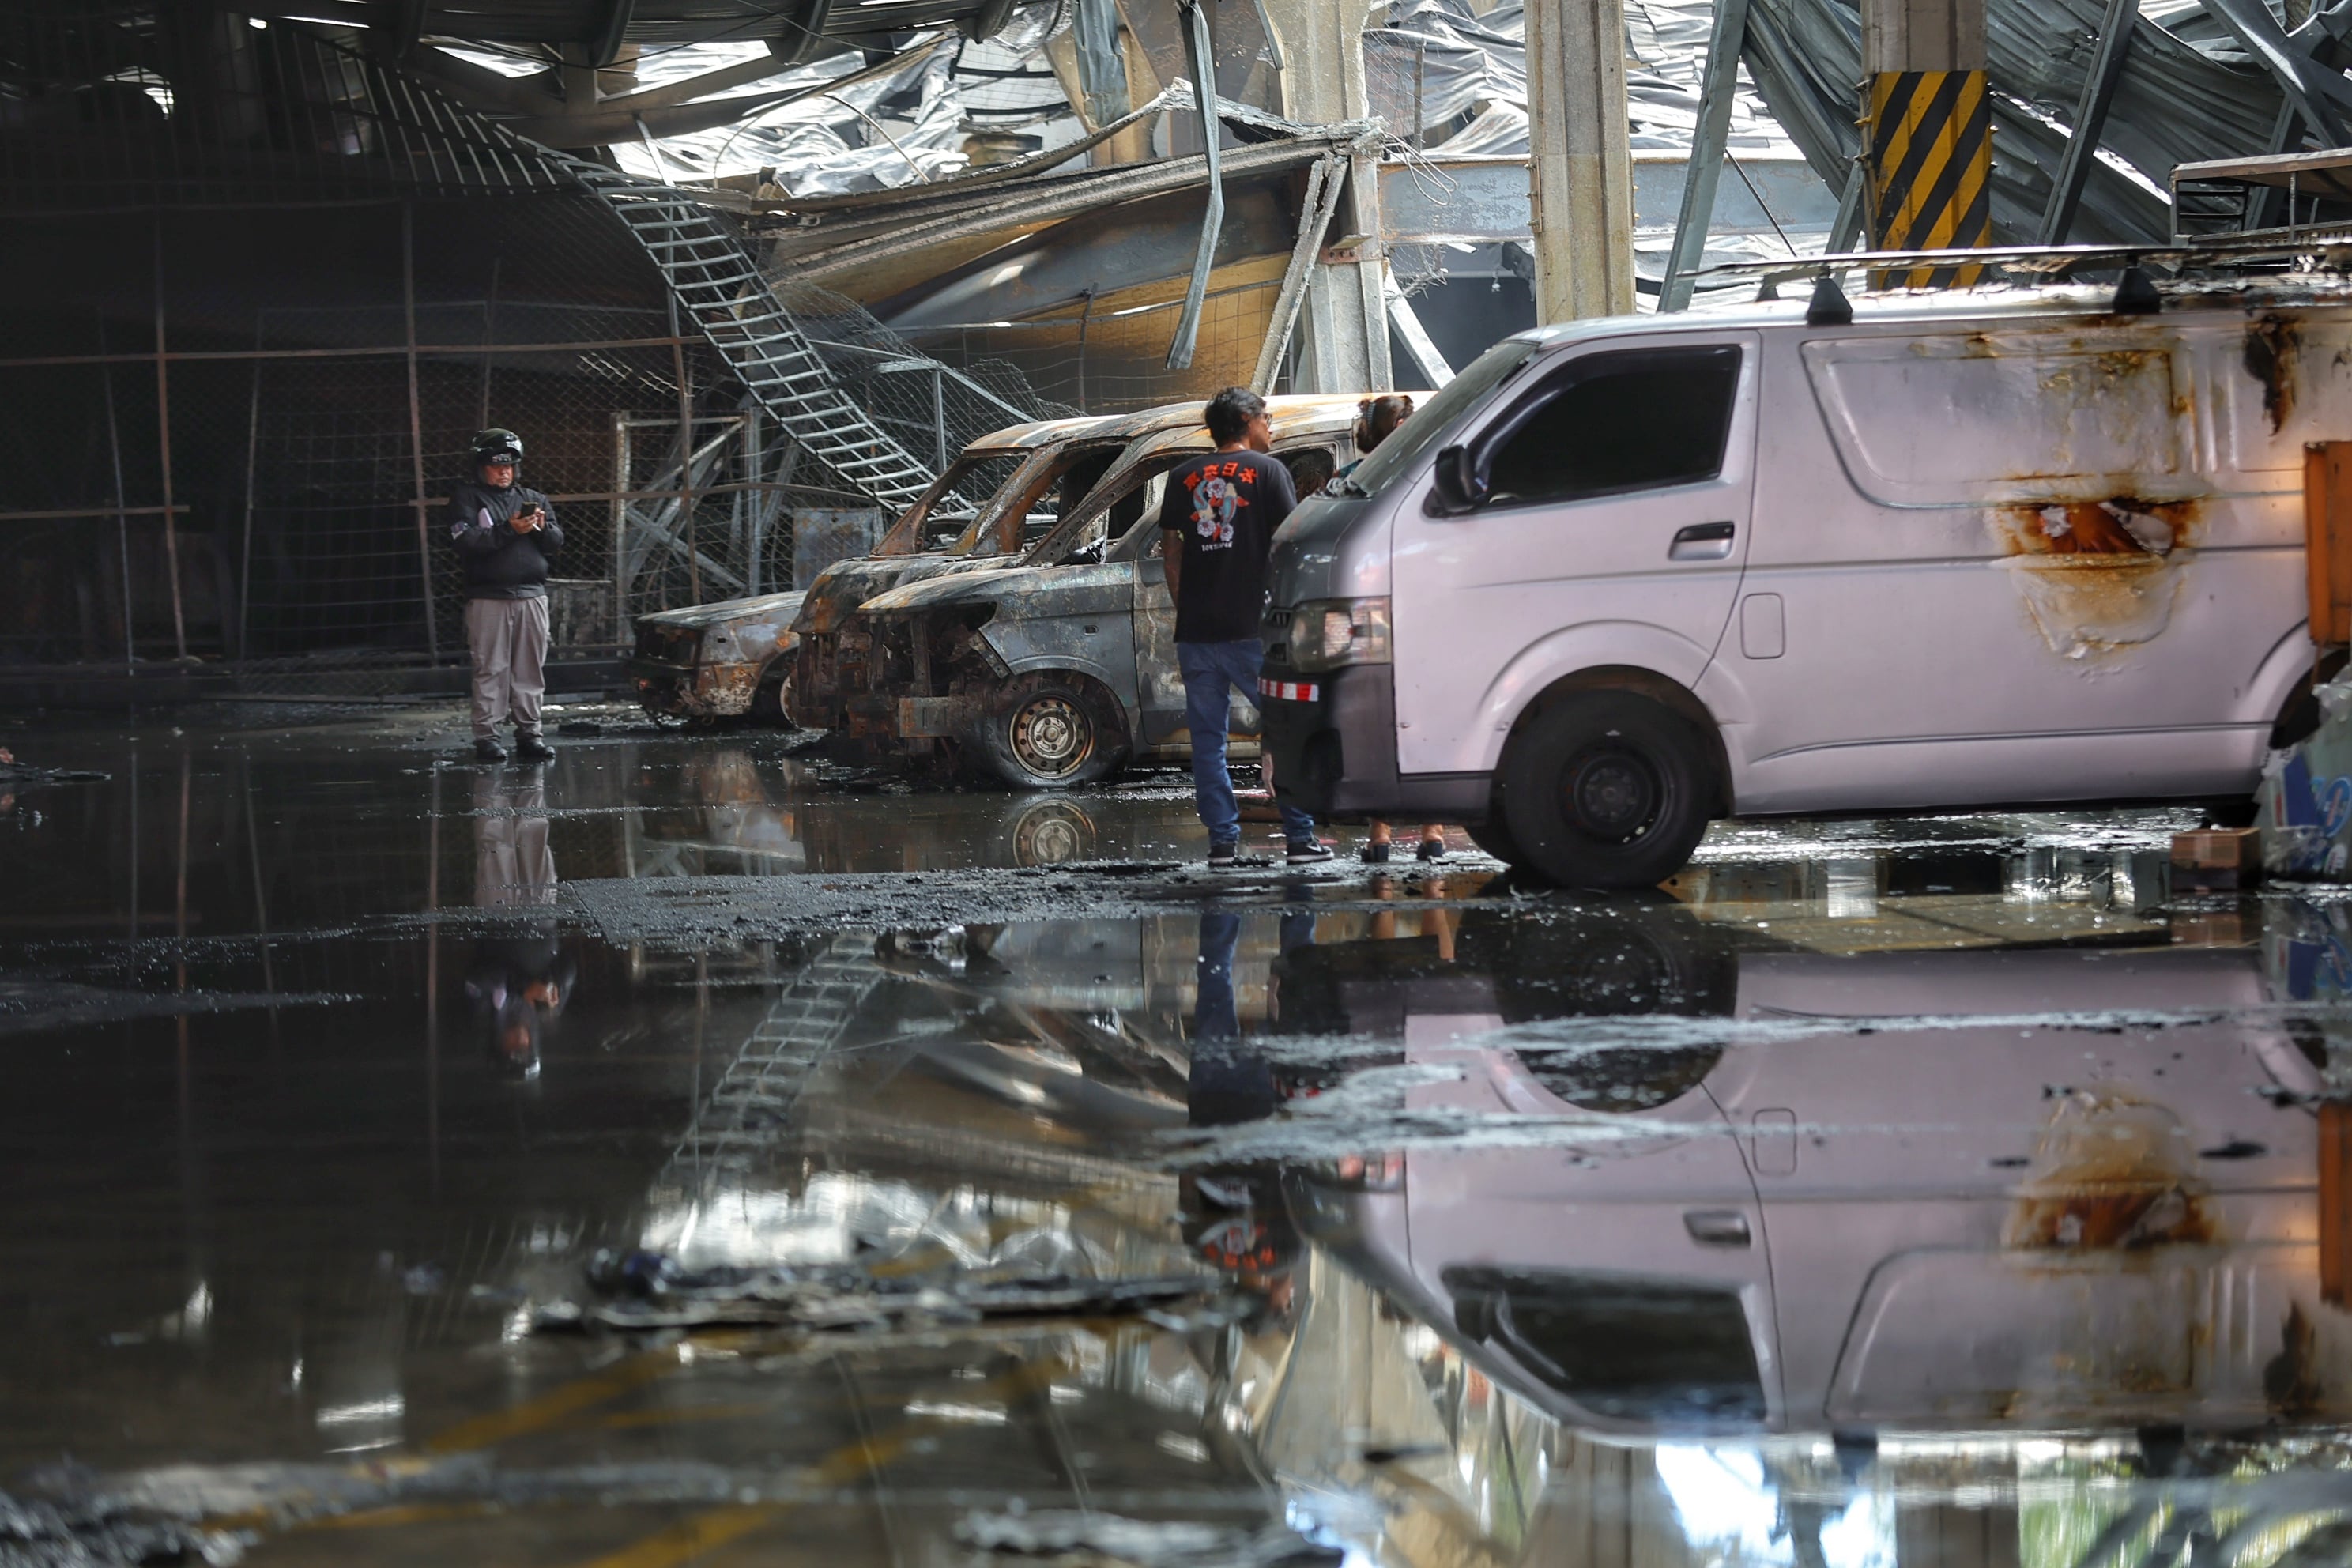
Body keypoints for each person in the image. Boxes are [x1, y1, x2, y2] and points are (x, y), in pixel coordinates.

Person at [1159, 387, 1332, 866]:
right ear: (1244, 419)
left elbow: (1170, 550)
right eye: (1266, 417)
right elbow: (1290, 545)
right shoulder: (1269, 472)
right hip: (1253, 631)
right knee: (1287, 726)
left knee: (1208, 742)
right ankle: (1299, 839)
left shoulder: (1182, 476)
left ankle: (1221, 844)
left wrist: (1185, 607)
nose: (1270, 426)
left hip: (1196, 634)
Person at [1337, 396, 1449, 865]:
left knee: (1377, 721)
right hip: (1420, 609)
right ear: (1398, 427)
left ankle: (1383, 835)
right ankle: (1431, 830)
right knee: (1425, 717)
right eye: (1408, 418)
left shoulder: (1351, 481)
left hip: (1370, 611)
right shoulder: (1430, 475)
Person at [449, 427, 562, 763]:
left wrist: (539, 527)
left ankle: (530, 735)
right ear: (481, 466)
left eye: (510, 466)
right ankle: (487, 738)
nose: (504, 472)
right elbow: (466, 542)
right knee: (491, 668)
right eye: (497, 465)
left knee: (530, 669)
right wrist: (509, 530)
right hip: (489, 597)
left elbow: (556, 542)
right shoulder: (466, 498)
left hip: (531, 596)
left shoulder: (535, 498)